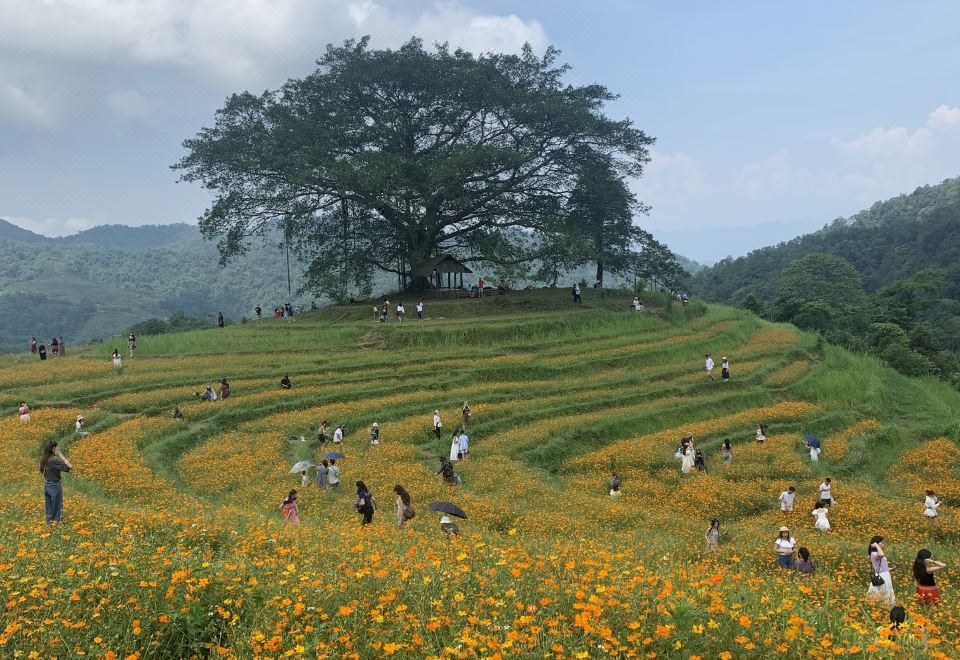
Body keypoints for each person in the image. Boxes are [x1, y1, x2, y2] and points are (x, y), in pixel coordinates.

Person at [40, 441, 72, 524]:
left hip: (47, 485)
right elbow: (69, 466)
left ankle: (49, 525)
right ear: (54, 449)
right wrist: (60, 454)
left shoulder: (44, 459)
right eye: (57, 447)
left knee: (49, 508)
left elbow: (41, 471)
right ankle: (55, 526)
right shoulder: (53, 460)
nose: (59, 448)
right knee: (57, 507)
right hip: (54, 486)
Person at [867, 536, 896, 606]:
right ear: (876, 543)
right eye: (881, 542)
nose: (883, 544)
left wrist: (890, 569)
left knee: (885, 591)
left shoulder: (876, 553)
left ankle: (885, 606)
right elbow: (882, 555)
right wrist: (876, 545)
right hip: (882, 576)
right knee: (883, 592)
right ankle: (882, 606)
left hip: (885, 574)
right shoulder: (874, 554)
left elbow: (881, 566)